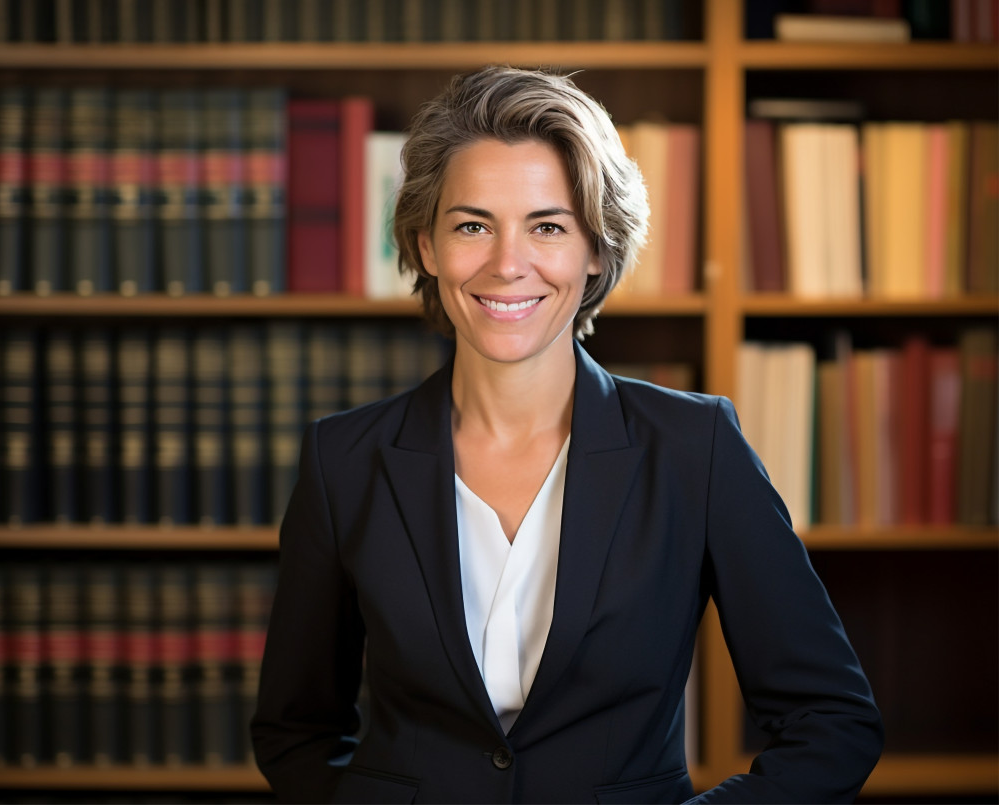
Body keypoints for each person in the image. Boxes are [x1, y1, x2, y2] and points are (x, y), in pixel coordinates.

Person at [250, 66, 882, 804]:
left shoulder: (694, 449)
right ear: (426, 246)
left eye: (547, 225)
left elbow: (832, 721)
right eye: (472, 225)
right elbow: (295, 730)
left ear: (596, 251)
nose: (507, 263)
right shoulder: (345, 461)